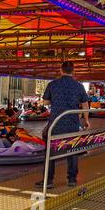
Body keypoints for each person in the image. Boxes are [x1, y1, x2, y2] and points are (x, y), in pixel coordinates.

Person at [35, 61, 90, 189]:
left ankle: (48, 180)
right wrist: (86, 120)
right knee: (72, 151)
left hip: (55, 123)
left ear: (61, 70)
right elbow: (85, 104)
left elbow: (46, 101)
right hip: (72, 123)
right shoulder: (79, 86)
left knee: (50, 151)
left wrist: (55, 101)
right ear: (73, 71)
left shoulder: (53, 84)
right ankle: (72, 179)